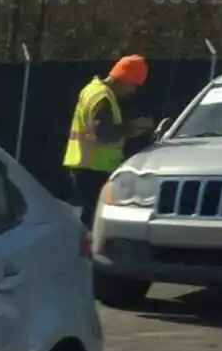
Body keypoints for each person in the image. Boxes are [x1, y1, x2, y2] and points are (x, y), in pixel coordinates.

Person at [63, 54, 154, 229]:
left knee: (91, 217)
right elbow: (104, 134)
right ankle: (89, 251)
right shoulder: (103, 97)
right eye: (133, 85)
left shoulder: (92, 90)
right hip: (93, 169)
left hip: (85, 164)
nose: (132, 91)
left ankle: (86, 249)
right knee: (95, 220)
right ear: (124, 78)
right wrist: (132, 127)